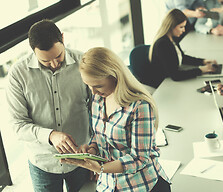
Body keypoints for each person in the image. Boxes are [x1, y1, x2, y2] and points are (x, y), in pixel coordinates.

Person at [62, 47, 171, 192]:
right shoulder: (98, 99)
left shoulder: (139, 106)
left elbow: (139, 158)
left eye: (98, 85)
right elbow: (99, 135)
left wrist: (101, 168)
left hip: (141, 185)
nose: (93, 91)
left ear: (114, 76)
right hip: (108, 185)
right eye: (88, 85)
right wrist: (91, 150)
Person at [6, 19, 91, 192]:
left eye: (58, 56)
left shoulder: (84, 62)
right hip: (43, 163)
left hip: (83, 156)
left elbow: (99, 109)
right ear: (33, 51)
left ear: (63, 38)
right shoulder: (17, 74)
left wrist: (99, 153)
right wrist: (50, 135)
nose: (54, 64)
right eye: (45, 61)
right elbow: (18, 125)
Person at [148, 9, 217, 88]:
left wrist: (203, 61)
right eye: (181, 27)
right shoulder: (162, 44)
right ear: (171, 26)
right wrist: (201, 70)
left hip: (170, 81)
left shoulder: (172, 39)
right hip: (163, 85)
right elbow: (176, 76)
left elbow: (182, 58)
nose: (183, 30)